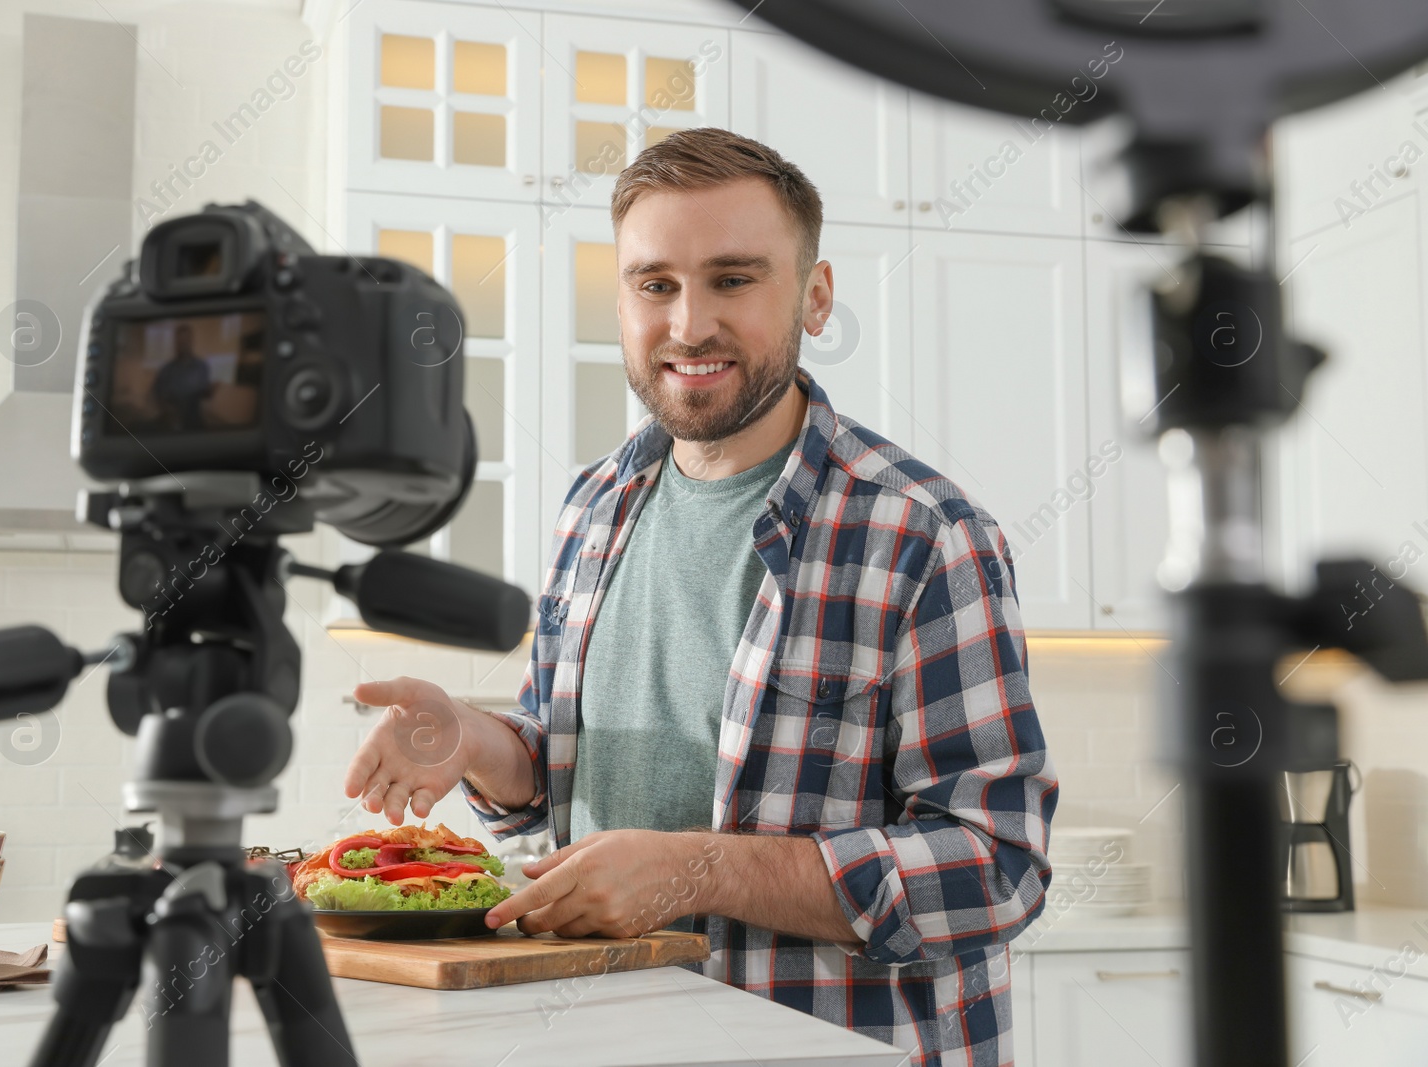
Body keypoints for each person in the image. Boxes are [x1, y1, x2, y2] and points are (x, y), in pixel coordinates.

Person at [343, 127, 1057, 1064]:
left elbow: (996, 868)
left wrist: (696, 869)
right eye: (656, 284)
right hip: (602, 1035)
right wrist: (475, 740)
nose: (688, 325)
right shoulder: (595, 504)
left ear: (815, 295)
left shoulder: (923, 534)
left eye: (733, 278)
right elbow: (564, 783)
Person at [150, 323, 212, 431]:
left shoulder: (201, 366)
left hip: (194, 422)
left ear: (191, 342)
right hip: (170, 423)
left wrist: (209, 391)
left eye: (186, 341)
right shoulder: (166, 370)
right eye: (180, 341)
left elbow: (204, 393)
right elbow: (157, 395)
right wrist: (168, 411)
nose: (183, 344)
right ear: (176, 343)